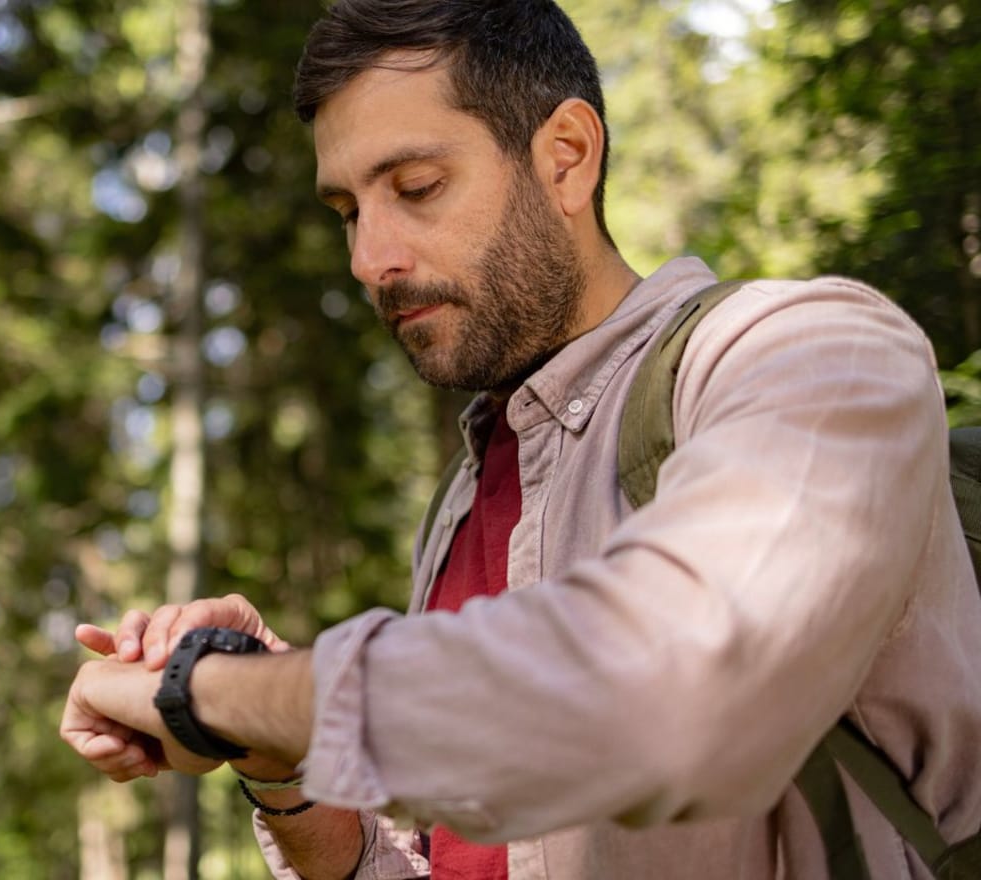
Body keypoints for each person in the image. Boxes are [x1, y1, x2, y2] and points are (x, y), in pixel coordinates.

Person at [59, 0, 981, 877]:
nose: (369, 260)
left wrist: (215, 695)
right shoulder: (462, 503)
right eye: (346, 212)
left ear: (568, 157)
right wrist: (276, 764)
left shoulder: (804, 351)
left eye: (416, 187)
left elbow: (673, 693)